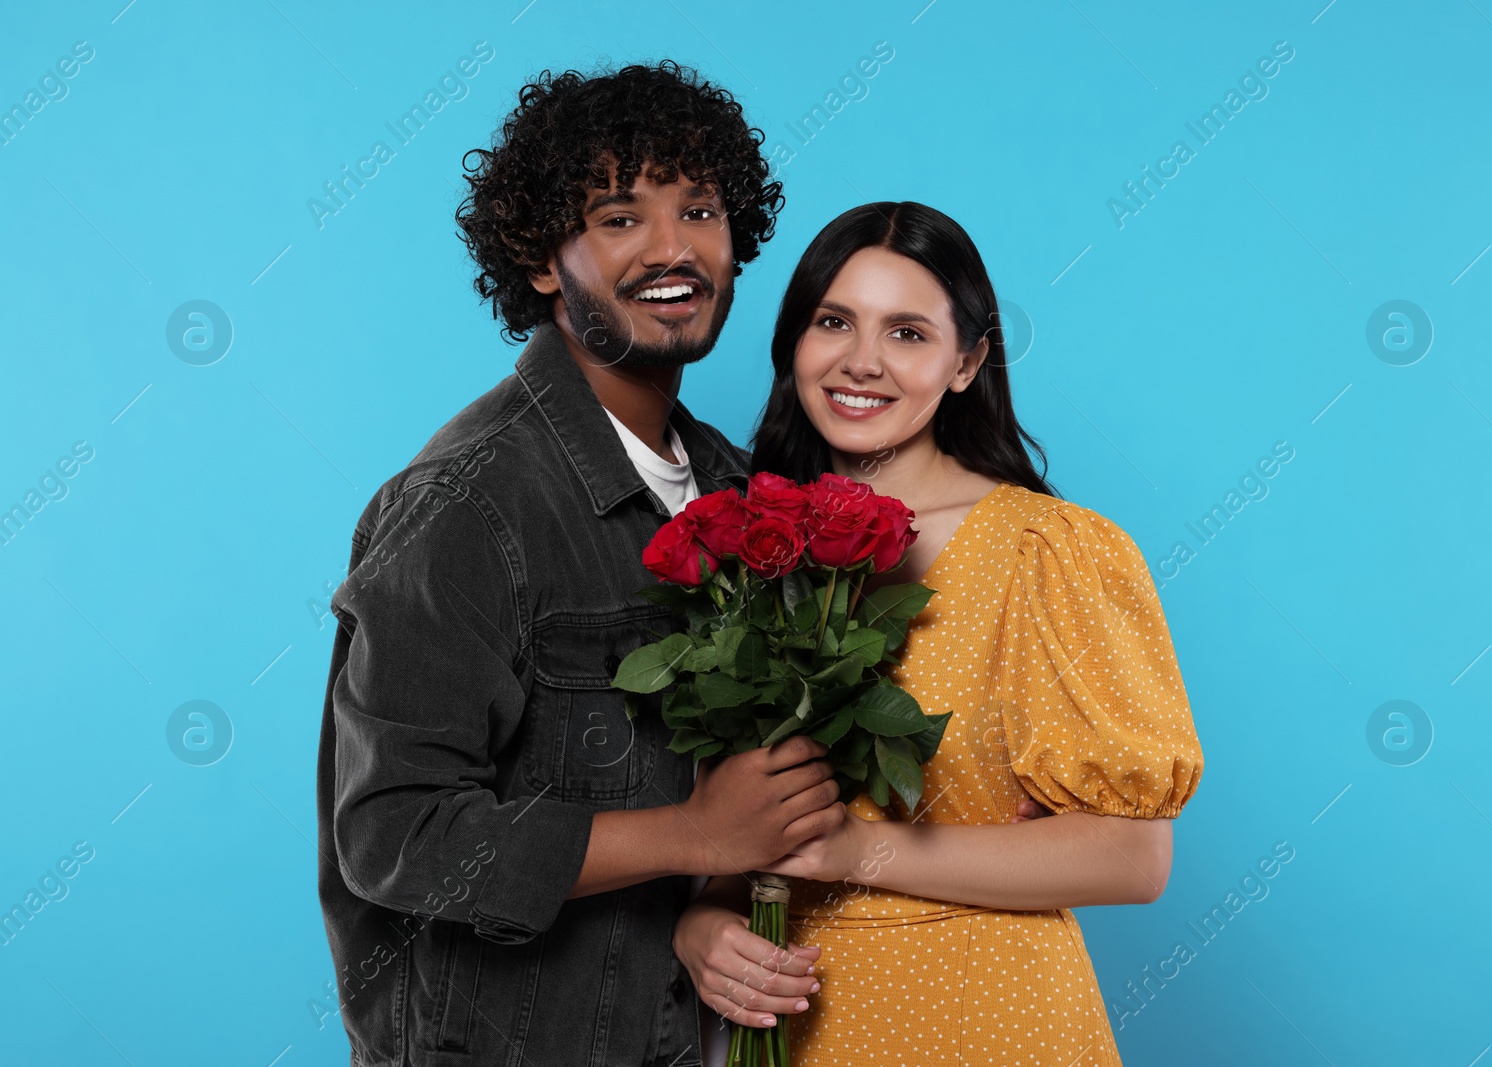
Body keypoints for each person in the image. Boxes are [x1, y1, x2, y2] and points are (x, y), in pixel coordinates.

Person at [314, 61, 848, 1067]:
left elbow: (742, 790)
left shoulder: (737, 490)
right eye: (617, 216)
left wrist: (711, 902)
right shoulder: (466, 504)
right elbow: (394, 835)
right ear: (544, 259)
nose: (672, 247)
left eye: (699, 209)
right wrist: (694, 833)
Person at [672, 201, 1205, 1064]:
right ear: (793, 343)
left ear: (968, 362)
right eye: (833, 321)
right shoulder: (751, 549)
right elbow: (744, 828)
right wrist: (702, 923)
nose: (862, 361)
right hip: (795, 1026)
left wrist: (864, 849)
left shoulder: (1048, 552)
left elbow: (1133, 856)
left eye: (909, 333)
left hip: (985, 1017)